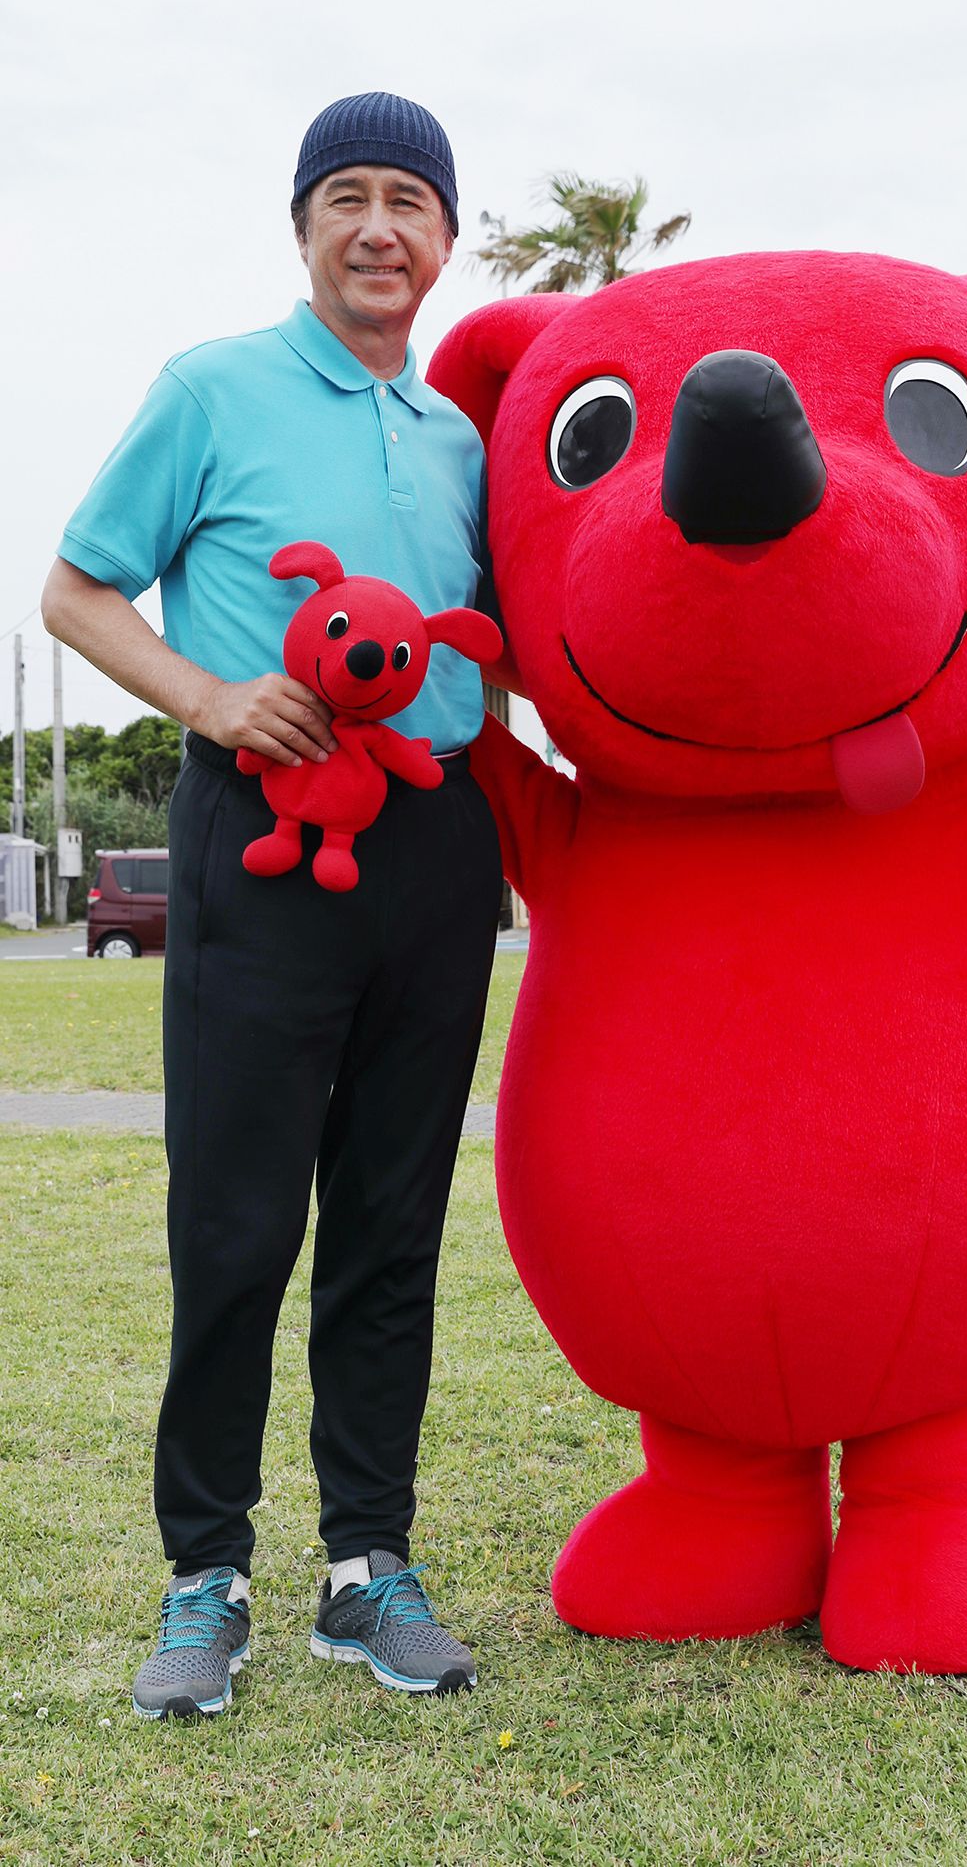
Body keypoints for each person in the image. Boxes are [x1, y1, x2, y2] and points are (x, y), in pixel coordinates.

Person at [42, 92, 502, 1719]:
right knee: (236, 1218)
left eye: (409, 201)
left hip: (437, 843)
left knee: (394, 1218)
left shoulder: (460, 439)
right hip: (262, 835)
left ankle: (368, 1568)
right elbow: (77, 589)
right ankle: (205, 1575)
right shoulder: (212, 388)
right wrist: (215, 698)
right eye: (346, 197)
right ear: (303, 227)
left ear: (447, 238)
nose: (379, 227)